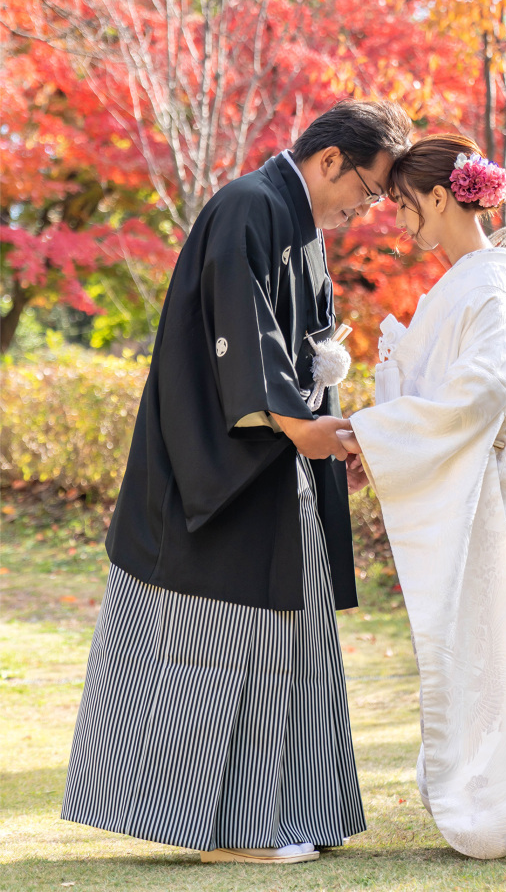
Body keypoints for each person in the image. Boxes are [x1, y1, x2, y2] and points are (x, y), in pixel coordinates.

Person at [61, 100, 412, 866]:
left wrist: (333, 432)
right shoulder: (249, 206)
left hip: (272, 461)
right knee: (220, 643)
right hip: (219, 465)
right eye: (371, 188)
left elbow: (312, 355)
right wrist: (297, 427)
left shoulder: (303, 231)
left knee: (289, 634)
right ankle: (232, 827)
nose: (369, 207)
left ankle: (296, 807)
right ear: (329, 162)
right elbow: (239, 333)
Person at [339, 134, 506, 861]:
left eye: (402, 204)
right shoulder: (469, 290)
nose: (399, 222)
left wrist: (372, 433)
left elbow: (471, 399)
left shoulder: (488, 293)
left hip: (503, 510)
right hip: (490, 501)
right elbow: (452, 401)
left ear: (438, 196)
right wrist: (382, 431)